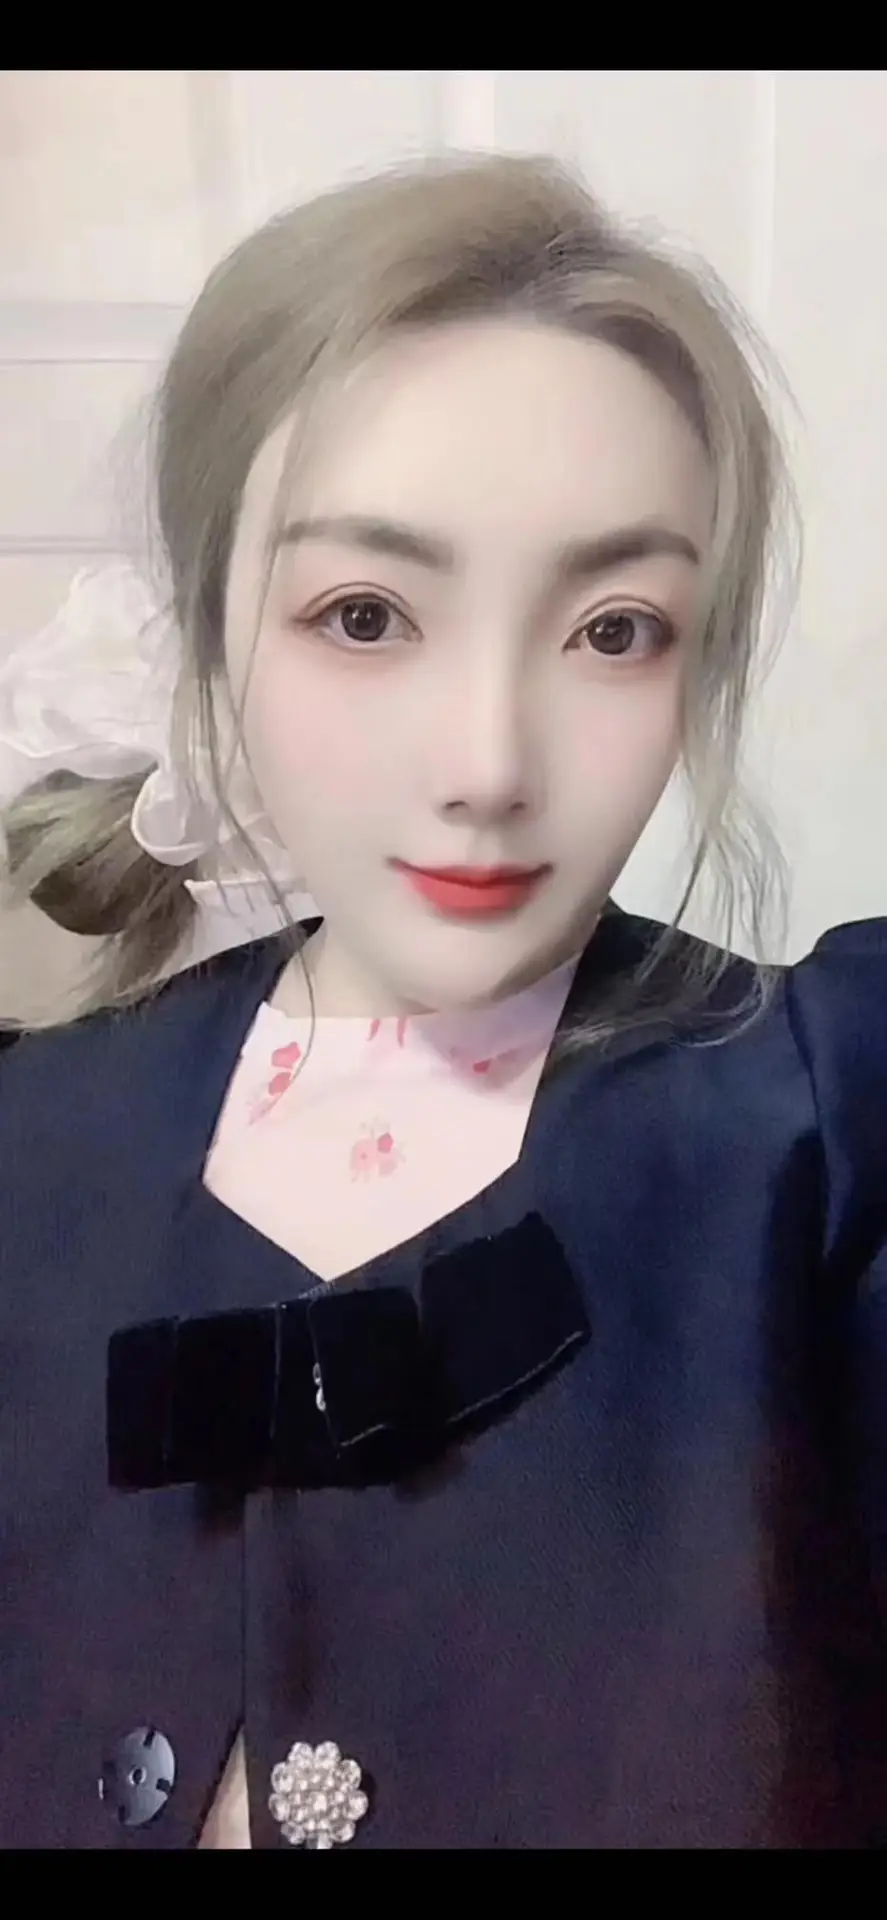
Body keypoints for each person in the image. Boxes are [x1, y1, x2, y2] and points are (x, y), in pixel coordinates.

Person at [1, 150, 886, 1852]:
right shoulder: (35, 1140)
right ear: (209, 633)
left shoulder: (823, 1136)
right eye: (364, 615)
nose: (487, 764)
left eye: (614, 630)